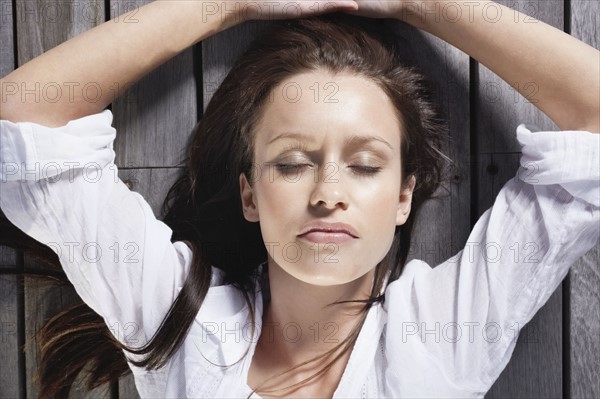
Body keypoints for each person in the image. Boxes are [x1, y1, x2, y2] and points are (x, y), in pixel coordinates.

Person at [0, 1, 598, 398]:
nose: (327, 194)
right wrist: (230, 3)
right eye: (290, 164)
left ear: (403, 197)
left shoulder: (442, 334)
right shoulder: (180, 322)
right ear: (250, 194)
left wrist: (416, 3)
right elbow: (21, 118)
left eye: (365, 165)